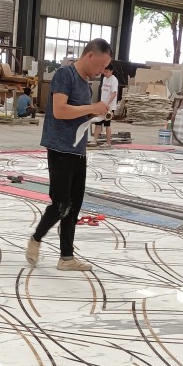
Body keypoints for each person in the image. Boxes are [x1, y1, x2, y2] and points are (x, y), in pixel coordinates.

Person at [25, 38, 112, 273]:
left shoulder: (85, 84)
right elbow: (59, 110)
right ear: (90, 55)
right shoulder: (65, 74)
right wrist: (92, 107)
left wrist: (97, 114)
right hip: (60, 149)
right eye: (101, 65)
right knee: (61, 204)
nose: (101, 71)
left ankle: (66, 257)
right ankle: (36, 237)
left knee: (74, 207)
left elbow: (79, 114)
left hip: (78, 150)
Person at [95, 63, 118, 148]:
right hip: (102, 104)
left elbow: (114, 93)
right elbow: (102, 91)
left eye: (107, 72)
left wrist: (107, 104)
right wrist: (101, 103)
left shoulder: (114, 80)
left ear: (111, 71)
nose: (105, 73)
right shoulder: (104, 79)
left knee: (107, 124)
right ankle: (94, 141)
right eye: (104, 72)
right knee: (98, 123)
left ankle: (108, 142)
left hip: (109, 106)